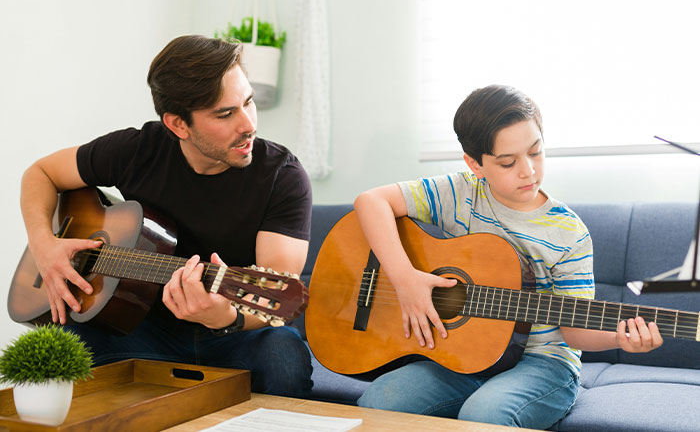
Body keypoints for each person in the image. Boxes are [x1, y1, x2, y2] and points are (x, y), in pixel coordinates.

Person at [19, 35, 313, 398]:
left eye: (248, 103)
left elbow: (278, 298)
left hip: (235, 336)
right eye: (226, 113)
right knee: (60, 347)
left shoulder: (282, 177)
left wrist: (227, 317)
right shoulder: (137, 150)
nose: (248, 124)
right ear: (177, 125)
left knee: (284, 356)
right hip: (142, 327)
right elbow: (40, 174)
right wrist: (44, 243)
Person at [352, 85, 663, 428]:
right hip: (463, 355)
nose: (528, 170)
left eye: (535, 152)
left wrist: (623, 337)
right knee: (378, 403)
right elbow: (371, 201)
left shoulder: (568, 232)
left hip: (543, 364)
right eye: (508, 162)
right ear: (475, 164)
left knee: (484, 416)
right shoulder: (460, 193)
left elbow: (575, 333)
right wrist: (405, 279)